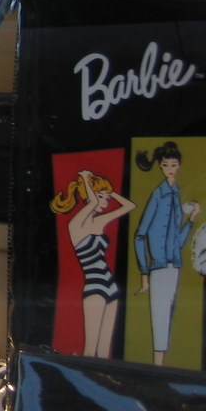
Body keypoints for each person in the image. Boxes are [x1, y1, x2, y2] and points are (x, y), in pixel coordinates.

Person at [50, 169, 135, 357]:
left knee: (105, 351)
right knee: (90, 350)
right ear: (89, 196)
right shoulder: (75, 225)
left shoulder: (99, 221)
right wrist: (87, 180)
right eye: (102, 197)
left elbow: (129, 206)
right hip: (95, 287)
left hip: (111, 286)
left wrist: (108, 190)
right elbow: (95, 202)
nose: (106, 202)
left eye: (107, 198)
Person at [133, 141, 201, 366]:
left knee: (168, 320)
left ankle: (160, 368)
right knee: (160, 319)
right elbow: (140, 234)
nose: (170, 168)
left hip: (175, 266)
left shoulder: (175, 195)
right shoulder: (158, 195)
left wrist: (190, 220)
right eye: (165, 164)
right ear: (161, 167)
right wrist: (144, 274)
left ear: (179, 166)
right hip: (159, 267)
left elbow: (177, 242)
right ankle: (157, 367)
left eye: (173, 164)